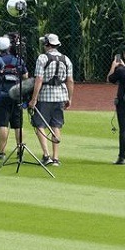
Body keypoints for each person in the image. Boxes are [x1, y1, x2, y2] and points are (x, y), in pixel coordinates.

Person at [29, 33, 73, 166]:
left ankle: (46, 154)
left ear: (47, 44)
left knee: (39, 124)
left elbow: (39, 79)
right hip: (60, 95)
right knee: (56, 125)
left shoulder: (42, 58)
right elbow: (70, 80)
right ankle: (55, 157)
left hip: (45, 95)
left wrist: (33, 98)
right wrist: (70, 98)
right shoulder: (66, 59)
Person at [0, 36, 27, 159]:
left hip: (2, 96)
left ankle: (1, 152)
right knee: (18, 125)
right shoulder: (18, 60)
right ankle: (20, 150)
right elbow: (26, 75)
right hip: (16, 95)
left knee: (3, 124)